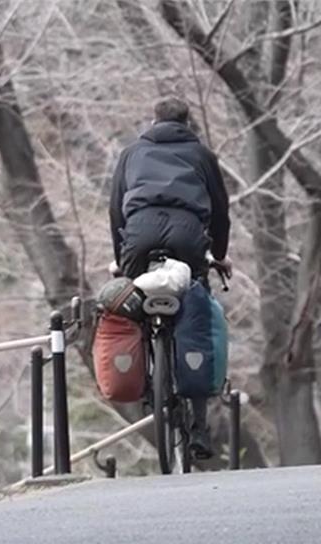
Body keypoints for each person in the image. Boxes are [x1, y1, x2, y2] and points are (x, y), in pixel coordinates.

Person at [109, 96, 232, 460]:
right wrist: (219, 255)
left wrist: (121, 258)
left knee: (132, 299)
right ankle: (198, 427)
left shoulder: (132, 153)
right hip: (188, 236)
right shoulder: (202, 155)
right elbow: (220, 210)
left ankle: (149, 386)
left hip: (140, 233)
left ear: (153, 119)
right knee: (195, 300)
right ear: (188, 122)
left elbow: (116, 208)